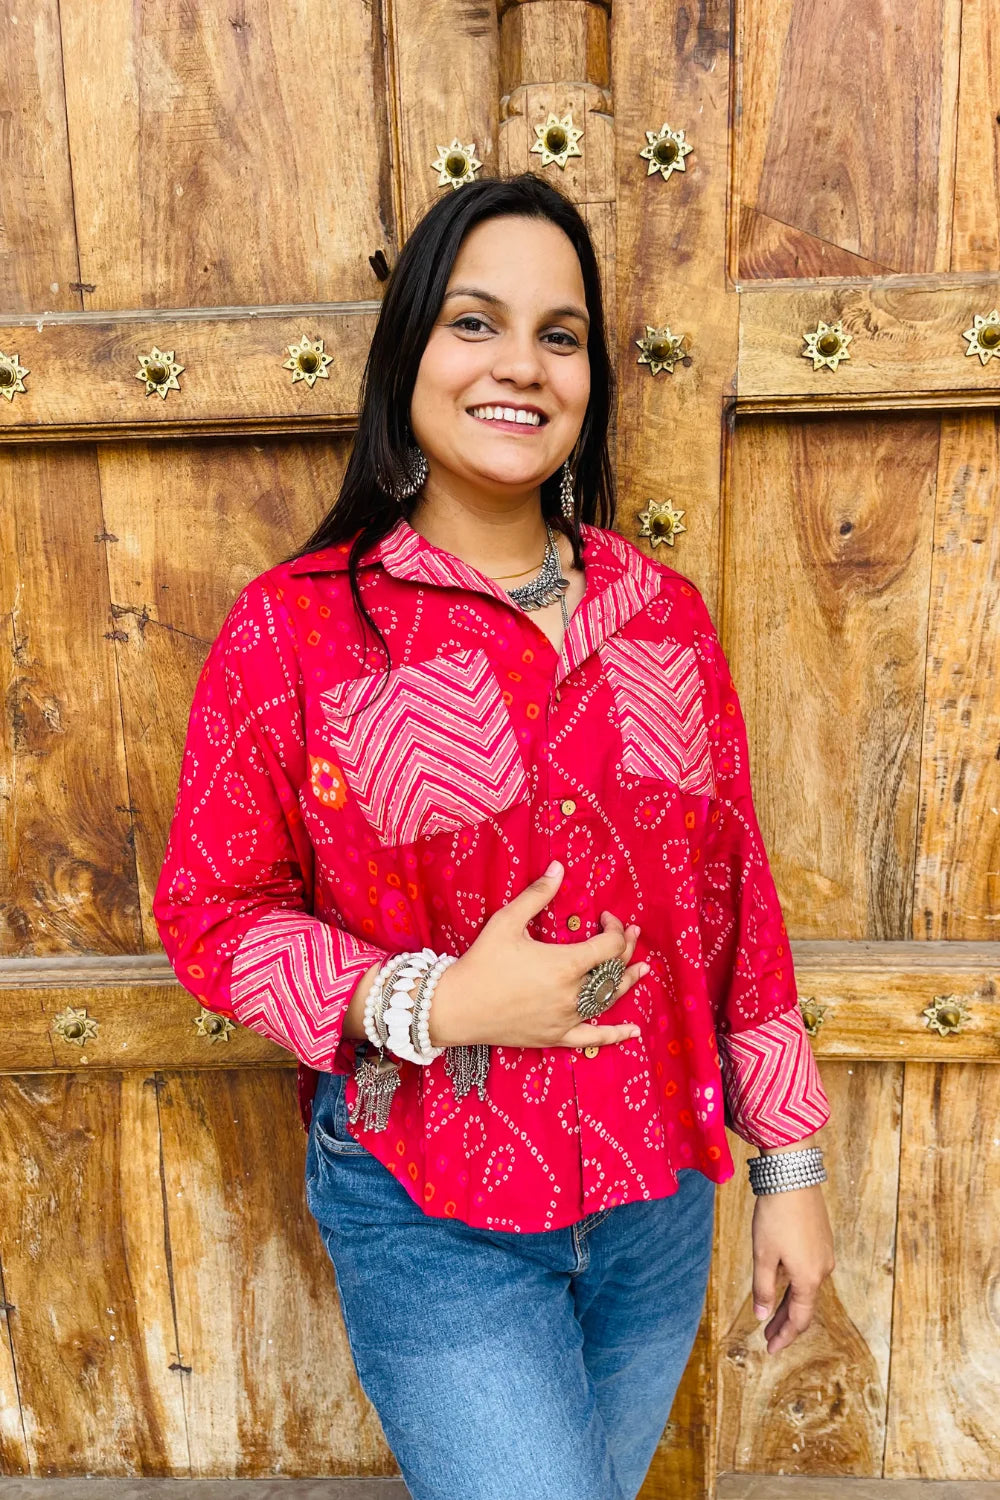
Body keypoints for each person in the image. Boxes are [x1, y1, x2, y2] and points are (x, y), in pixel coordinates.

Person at [153, 172, 835, 1500]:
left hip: (656, 1202)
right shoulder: (294, 632)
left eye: (559, 333)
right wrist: (436, 995)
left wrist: (790, 1169)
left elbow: (735, 904)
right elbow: (211, 912)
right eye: (474, 322)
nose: (519, 364)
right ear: (408, 348)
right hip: (430, 1206)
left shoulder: (663, 620)